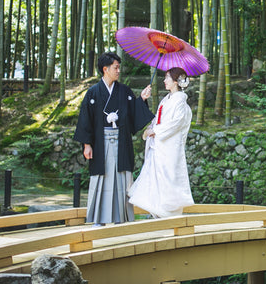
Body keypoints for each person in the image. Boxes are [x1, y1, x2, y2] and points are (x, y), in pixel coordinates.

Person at [73, 52, 153, 225]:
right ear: (105, 69)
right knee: (101, 178)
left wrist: (142, 99)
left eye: (119, 67)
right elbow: (85, 120)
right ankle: (98, 219)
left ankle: (120, 218)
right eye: (116, 67)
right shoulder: (93, 93)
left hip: (121, 141)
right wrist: (87, 144)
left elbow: (133, 114)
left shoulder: (124, 91)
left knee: (121, 178)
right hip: (101, 143)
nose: (119, 71)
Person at [128, 66, 195, 218]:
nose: (164, 80)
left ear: (176, 81)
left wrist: (156, 131)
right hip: (159, 146)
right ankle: (157, 212)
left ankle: (169, 214)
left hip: (170, 148)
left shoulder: (180, 103)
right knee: (156, 179)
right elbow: (158, 120)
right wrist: (151, 129)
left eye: (167, 78)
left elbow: (175, 123)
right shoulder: (166, 99)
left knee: (169, 179)